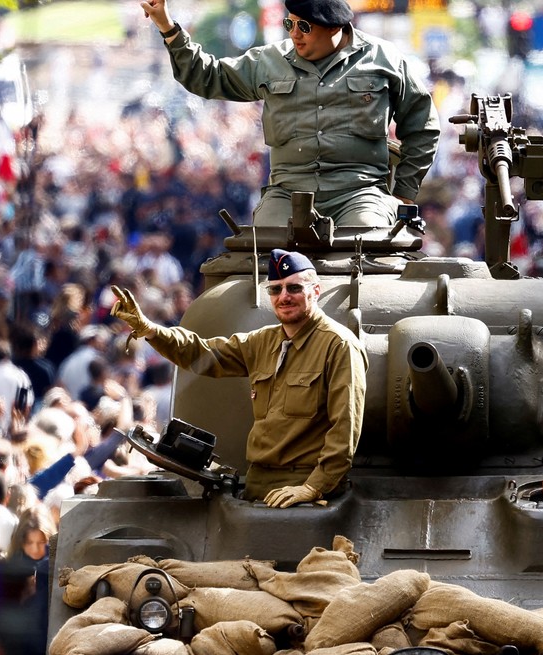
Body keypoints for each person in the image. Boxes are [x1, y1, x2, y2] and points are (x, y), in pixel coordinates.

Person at [140, 0, 440, 228]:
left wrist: (404, 193)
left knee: (366, 239)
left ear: (335, 27)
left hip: (359, 192)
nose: (295, 34)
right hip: (288, 193)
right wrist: (167, 26)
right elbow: (207, 77)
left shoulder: (384, 60)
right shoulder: (269, 61)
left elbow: (422, 125)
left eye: (305, 27)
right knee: (262, 250)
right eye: (290, 24)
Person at [109, 249, 368, 507]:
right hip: (257, 484)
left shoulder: (339, 346)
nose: (284, 297)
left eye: (294, 288)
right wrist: (150, 330)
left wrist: (314, 487)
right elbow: (202, 352)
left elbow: (344, 429)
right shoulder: (263, 341)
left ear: (315, 291)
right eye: (276, 290)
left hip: (302, 488)